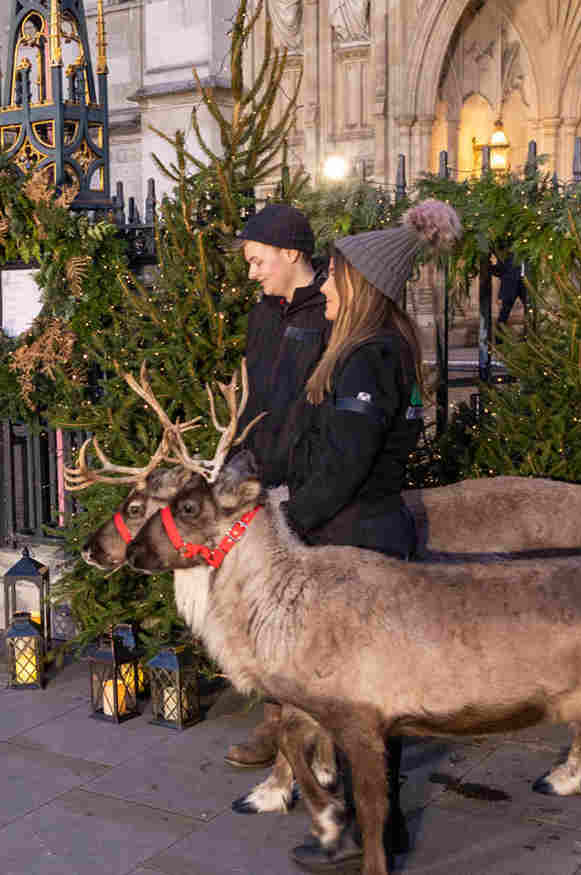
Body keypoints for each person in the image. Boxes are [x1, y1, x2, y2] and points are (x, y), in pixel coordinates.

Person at [281, 199, 461, 873]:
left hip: (358, 542)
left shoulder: (366, 357)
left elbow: (345, 464)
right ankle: (376, 825)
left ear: (359, 285)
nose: (323, 284)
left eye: (333, 275)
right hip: (371, 533)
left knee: (363, 703)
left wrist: (291, 522)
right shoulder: (385, 348)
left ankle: (372, 832)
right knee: (370, 701)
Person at [224, 204, 329, 770]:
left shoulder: (331, 311)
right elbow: (254, 392)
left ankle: (309, 725)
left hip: (307, 479)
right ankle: (274, 719)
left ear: (291, 254)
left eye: (258, 260)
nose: (253, 272)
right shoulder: (263, 314)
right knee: (260, 600)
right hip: (257, 472)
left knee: (303, 610)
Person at [494, 250, 528, 327]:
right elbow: (499, 270)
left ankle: (529, 335)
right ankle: (499, 337)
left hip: (526, 282)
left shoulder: (530, 246)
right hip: (510, 283)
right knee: (505, 311)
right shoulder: (506, 248)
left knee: (529, 309)